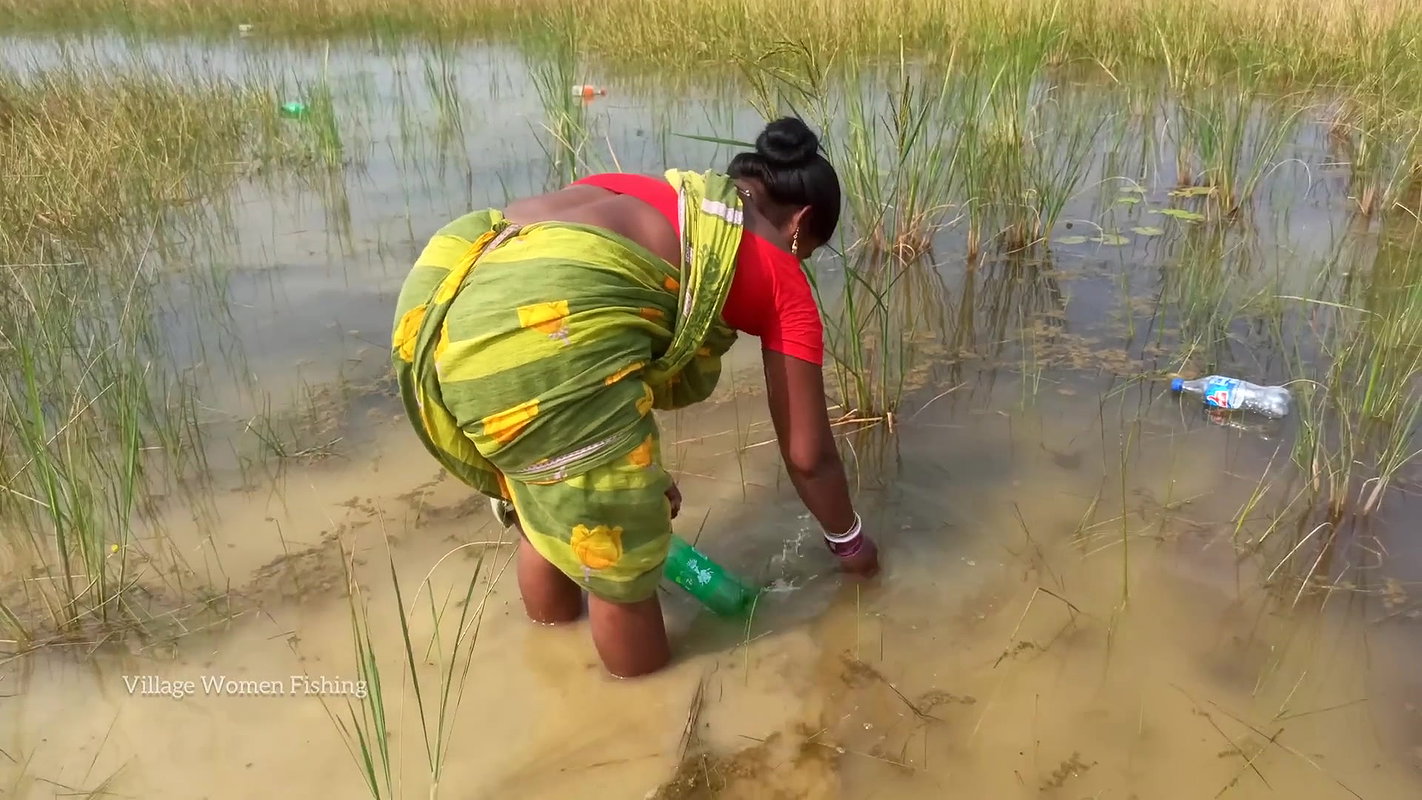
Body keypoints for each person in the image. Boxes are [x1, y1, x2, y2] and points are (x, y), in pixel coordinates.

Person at [391, 117, 879, 678]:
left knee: (548, 497)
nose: (801, 263)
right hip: (539, 326)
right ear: (802, 222)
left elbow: (611, 336)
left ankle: (552, 662)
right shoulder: (777, 272)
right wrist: (852, 547)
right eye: (808, 251)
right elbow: (809, 456)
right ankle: (641, 716)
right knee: (619, 556)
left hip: (442, 295)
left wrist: (628, 470)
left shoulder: (646, 193)